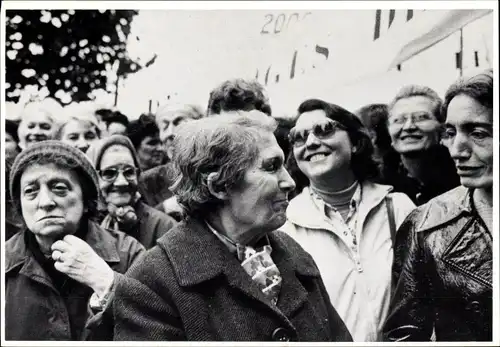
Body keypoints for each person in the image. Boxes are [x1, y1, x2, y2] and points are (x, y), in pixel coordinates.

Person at [113, 110, 352, 342]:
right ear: (219, 186)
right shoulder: (152, 283)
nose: (289, 181)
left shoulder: (295, 255)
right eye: (271, 167)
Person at [281, 99, 415, 341]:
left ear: (355, 142)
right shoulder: (284, 227)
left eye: (325, 129)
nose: (311, 142)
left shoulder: (398, 207)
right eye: (299, 137)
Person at [383, 69, 493, 341]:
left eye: (478, 133)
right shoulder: (424, 224)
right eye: (451, 132)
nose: (457, 149)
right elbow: (404, 334)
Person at [5, 141, 145, 340]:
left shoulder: (128, 253)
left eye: (59, 188)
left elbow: (155, 330)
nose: (45, 202)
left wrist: (107, 283)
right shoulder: (5, 262)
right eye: (30, 191)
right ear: (19, 206)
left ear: (86, 200)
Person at [86, 135, 176, 249]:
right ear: (93, 178)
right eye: (109, 173)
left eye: (129, 172)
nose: (121, 182)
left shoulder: (163, 226)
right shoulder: (84, 224)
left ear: (138, 175)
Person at [386, 85, 461, 205]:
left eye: (421, 118)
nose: (409, 126)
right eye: (399, 120)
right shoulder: (380, 186)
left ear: (442, 128)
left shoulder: (462, 175)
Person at [138, 103, 204, 208]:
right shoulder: (148, 181)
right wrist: (165, 208)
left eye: (179, 124)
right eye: (164, 127)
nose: (170, 133)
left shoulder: (214, 175)